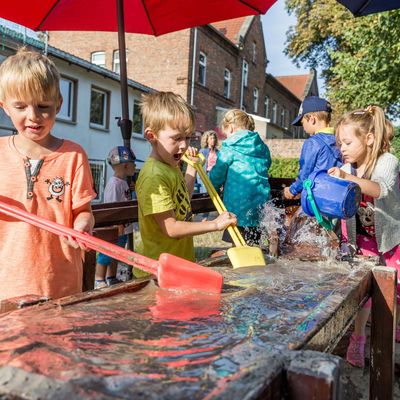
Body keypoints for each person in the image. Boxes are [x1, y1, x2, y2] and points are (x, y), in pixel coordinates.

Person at [0, 48, 96, 302]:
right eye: (20, 106)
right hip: (7, 289)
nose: (33, 116)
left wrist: (83, 225)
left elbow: (84, 212)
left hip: (59, 287)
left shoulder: (73, 156)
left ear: (59, 105)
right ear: (4, 106)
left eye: (43, 106)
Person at [328, 105, 400, 368]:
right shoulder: (350, 165)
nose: (342, 149)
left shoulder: (387, 161)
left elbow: (380, 189)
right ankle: (358, 339)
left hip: (390, 238)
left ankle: (391, 330)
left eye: (347, 142)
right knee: (364, 292)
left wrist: (348, 177)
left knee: (394, 289)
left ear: (369, 139)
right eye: (339, 143)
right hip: (360, 238)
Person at [135, 91, 237, 276]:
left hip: (178, 267)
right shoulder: (153, 176)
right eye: (176, 138)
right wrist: (214, 225)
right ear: (152, 136)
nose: (183, 145)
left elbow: (183, 200)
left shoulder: (170, 166)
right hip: (157, 273)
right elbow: (171, 228)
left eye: (188, 137)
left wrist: (191, 169)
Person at [209, 109, 271, 246]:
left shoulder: (229, 148)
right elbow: (267, 164)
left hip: (237, 208)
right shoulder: (261, 147)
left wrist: (211, 188)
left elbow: (217, 175)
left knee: (237, 243)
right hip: (260, 206)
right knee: (254, 242)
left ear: (230, 127)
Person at [283, 96, 342, 201]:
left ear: (312, 119)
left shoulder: (312, 142)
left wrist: (292, 191)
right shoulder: (340, 140)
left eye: (302, 123)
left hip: (318, 198)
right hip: (337, 196)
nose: (303, 128)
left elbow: (305, 175)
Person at [94, 146, 136, 289]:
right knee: (107, 253)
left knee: (116, 253)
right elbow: (112, 208)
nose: (135, 166)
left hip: (123, 227)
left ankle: (111, 277)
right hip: (116, 228)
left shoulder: (123, 183)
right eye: (133, 163)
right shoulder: (114, 185)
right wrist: (117, 225)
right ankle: (99, 279)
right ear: (125, 165)